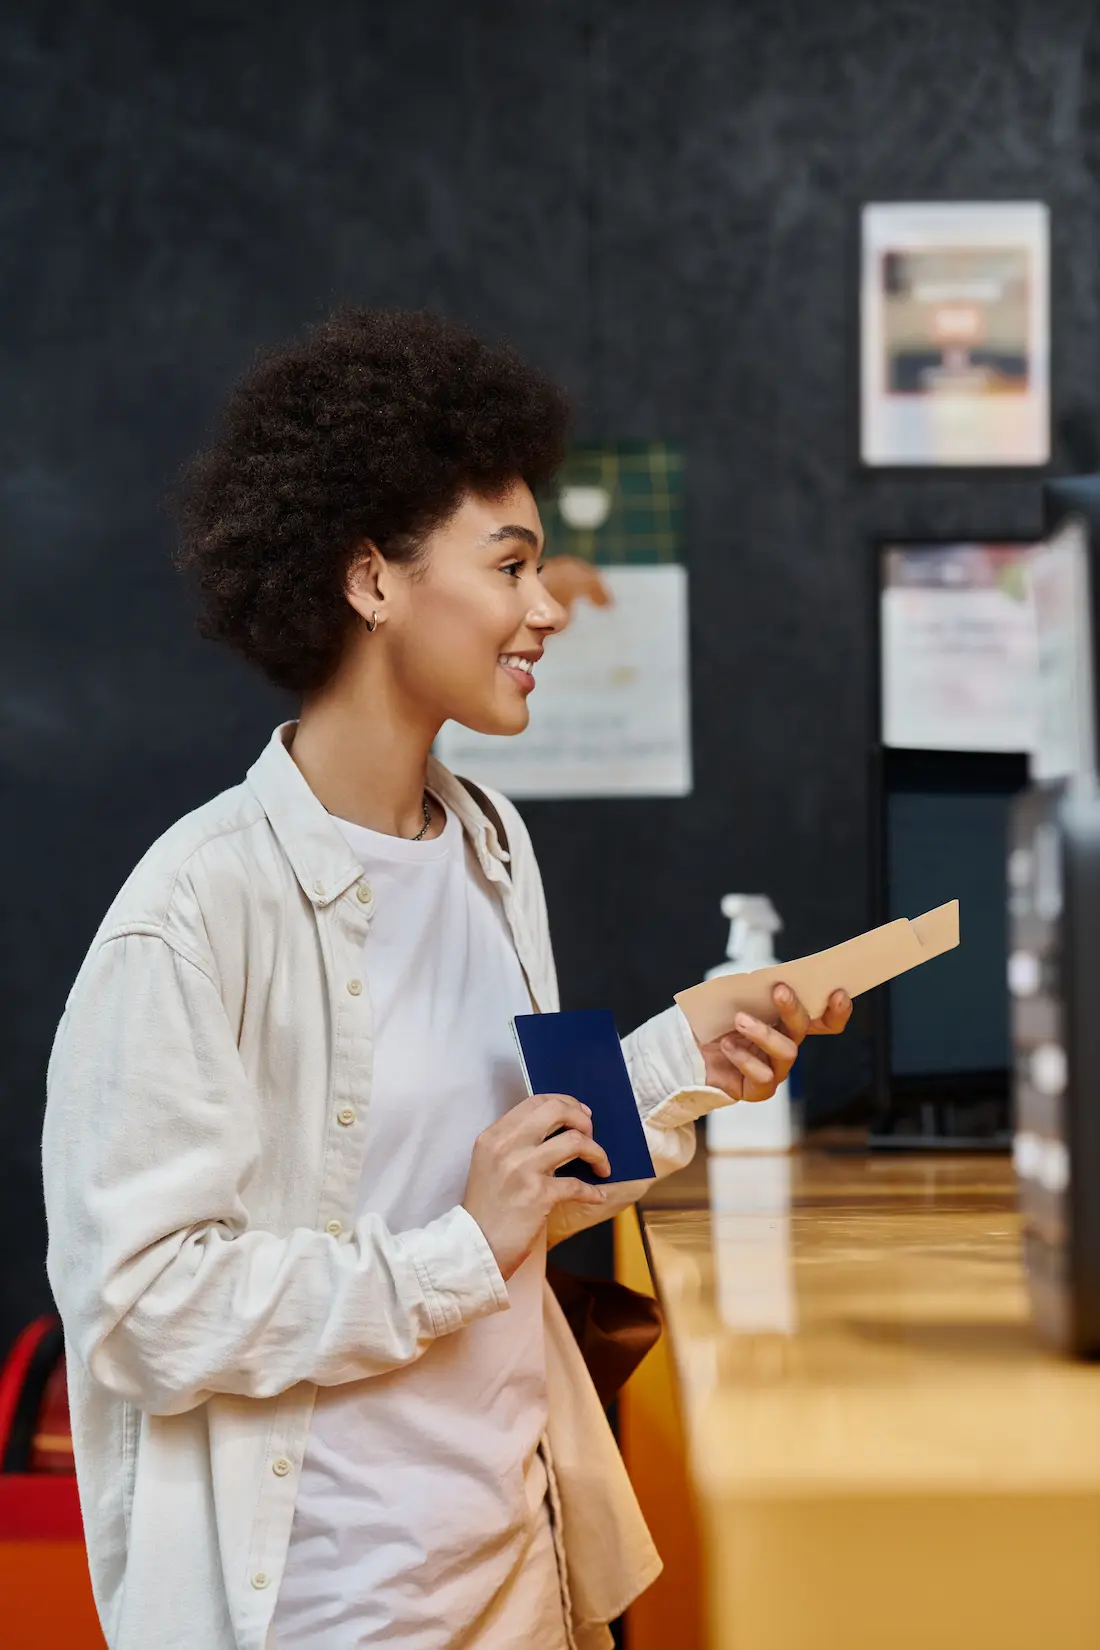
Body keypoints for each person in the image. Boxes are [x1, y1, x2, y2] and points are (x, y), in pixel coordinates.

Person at [41, 308, 851, 1650]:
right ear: (372, 579)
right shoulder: (194, 909)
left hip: (518, 1576)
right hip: (328, 1612)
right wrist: (453, 1254)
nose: (548, 606)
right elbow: (138, 1309)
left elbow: (536, 1165)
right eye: (513, 562)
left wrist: (691, 1052)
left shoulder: (488, 842)